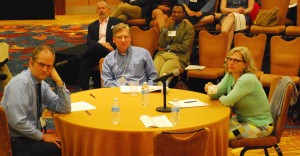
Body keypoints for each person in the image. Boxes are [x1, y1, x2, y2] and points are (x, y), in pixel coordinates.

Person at [1, 45, 71, 155]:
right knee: (61, 148)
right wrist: (42, 136)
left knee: (66, 144)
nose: (44, 70)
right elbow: (17, 122)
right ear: (31, 62)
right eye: (41, 64)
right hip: (15, 141)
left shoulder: (41, 85)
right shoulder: (20, 84)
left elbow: (64, 108)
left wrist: (59, 82)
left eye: (49, 66)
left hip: (30, 136)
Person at [204, 47, 273, 140]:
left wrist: (220, 95)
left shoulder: (247, 79)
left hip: (260, 126)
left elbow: (227, 101)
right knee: (209, 129)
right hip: (242, 121)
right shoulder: (230, 75)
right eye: (230, 59)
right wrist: (210, 90)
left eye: (236, 60)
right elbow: (216, 94)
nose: (231, 62)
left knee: (216, 135)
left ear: (245, 64)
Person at [55, 0, 123, 90]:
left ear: (108, 10)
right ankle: (83, 88)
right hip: (96, 51)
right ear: (96, 11)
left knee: (97, 46)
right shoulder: (92, 26)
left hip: (110, 51)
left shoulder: (117, 22)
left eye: (103, 8)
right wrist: (100, 46)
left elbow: (120, 36)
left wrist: (107, 44)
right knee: (85, 62)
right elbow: (90, 42)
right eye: (99, 9)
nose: (101, 10)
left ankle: (73, 60)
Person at [102, 23, 158, 87]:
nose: (123, 40)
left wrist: (147, 89)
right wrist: (123, 88)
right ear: (113, 39)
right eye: (119, 37)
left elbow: (153, 77)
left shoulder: (143, 53)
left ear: (130, 38)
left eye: (126, 37)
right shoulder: (108, 58)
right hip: (118, 92)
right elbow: (107, 81)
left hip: (140, 92)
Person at [153, 4, 195, 82]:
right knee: (153, 73)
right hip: (163, 55)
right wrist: (165, 27)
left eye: (179, 12)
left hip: (178, 57)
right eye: (174, 12)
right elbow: (161, 43)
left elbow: (184, 47)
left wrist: (168, 47)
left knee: (163, 75)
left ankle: (162, 92)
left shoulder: (189, 28)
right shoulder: (169, 25)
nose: (176, 14)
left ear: (184, 14)